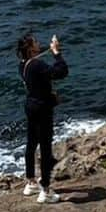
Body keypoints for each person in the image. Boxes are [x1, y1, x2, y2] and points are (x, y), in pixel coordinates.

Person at [16, 32, 68, 203]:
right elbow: (61, 72)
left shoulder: (23, 64)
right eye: (36, 42)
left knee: (31, 143)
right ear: (31, 49)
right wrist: (56, 52)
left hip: (31, 106)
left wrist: (51, 96)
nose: (39, 44)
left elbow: (38, 86)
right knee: (45, 148)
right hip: (42, 109)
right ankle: (45, 190)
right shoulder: (37, 64)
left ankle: (30, 182)